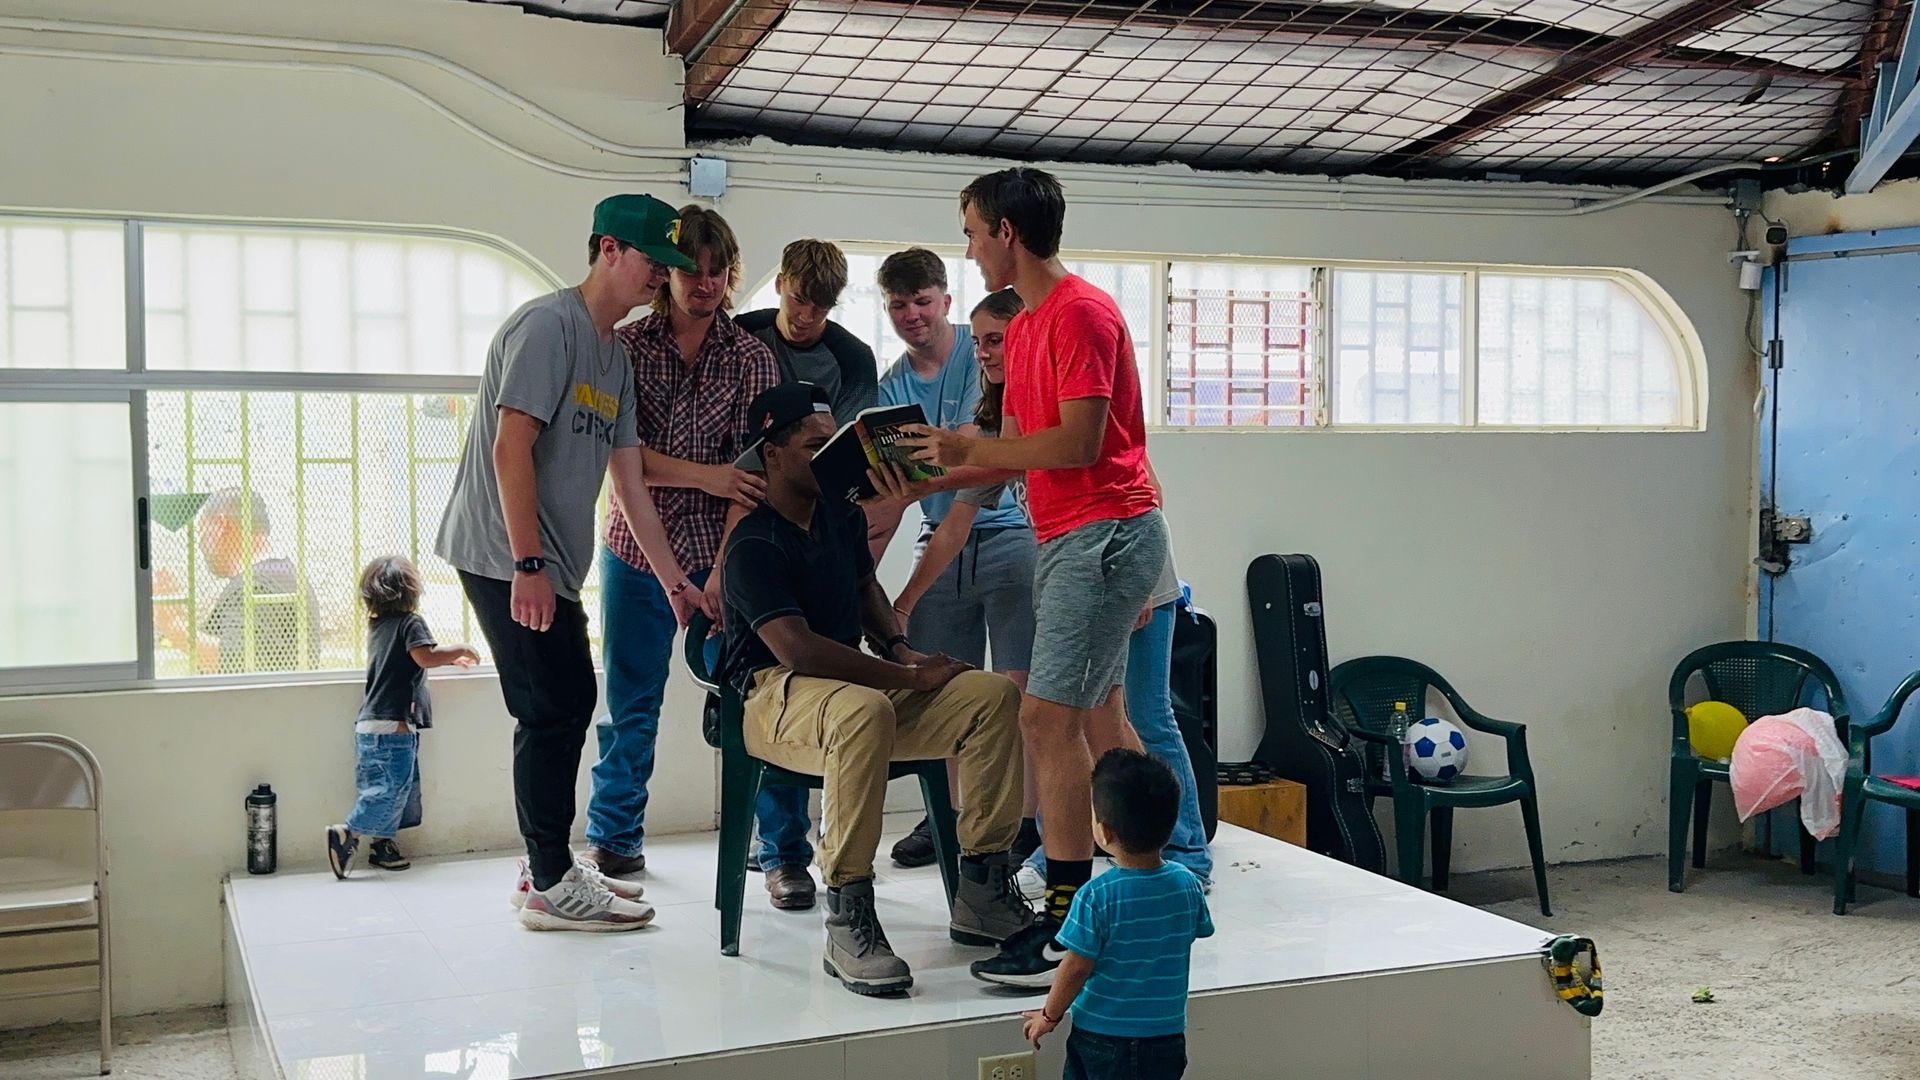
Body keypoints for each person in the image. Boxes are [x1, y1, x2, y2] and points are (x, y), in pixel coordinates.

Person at [903, 167, 1171, 987]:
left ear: (1007, 234)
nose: (971, 249)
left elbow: (1080, 445)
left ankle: (1066, 926)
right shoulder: (1022, 330)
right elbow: (1010, 456)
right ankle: (1148, 891)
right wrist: (919, 476)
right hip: (1072, 536)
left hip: (1106, 533)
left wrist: (967, 447)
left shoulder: (1081, 313)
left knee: (1045, 721)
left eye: (974, 233)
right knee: (1094, 718)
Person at [434, 193, 700, 932]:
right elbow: (508, 446)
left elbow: (629, 478)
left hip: (546, 558)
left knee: (568, 702)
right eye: (653, 261)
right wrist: (527, 565)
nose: (660, 279)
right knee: (553, 707)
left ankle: (544, 865)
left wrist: (673, 579)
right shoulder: (546, 327)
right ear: (609, 249)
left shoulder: (611, 355)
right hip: (503, 551)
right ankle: (550, 881)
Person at [719, 381, 1035, 996]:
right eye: (814, 445)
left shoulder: (839, 515)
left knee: (991, 696)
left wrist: (899, 647)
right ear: (772, 453)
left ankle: (982, 886)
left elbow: (866, 594)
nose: (828, 453)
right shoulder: (752, 543)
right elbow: (799, 650)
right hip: (774, 694)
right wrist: (907, 677)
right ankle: (848, 914)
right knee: (864, 709)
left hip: (851, 690)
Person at [584, 205, 816, 911]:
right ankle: (615, 840)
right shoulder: (624, 349)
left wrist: (719, 571)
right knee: (631, 704)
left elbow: (754, 475)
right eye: (691, 268)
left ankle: (783, 855)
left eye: (718, 271)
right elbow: (622, 464)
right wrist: (706, 477)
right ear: (666, 271)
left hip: (730, 560)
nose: (705, 282)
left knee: (766, 704)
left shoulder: (751, 359)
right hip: (636, 553)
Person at [868, 248, 1033, 871]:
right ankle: (956, 823)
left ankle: (1020, 825)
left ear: (945, 300)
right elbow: (897, 492)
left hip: (1008, 533)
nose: (912, 315)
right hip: (937, 541)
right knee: (946, 695)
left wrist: (902, 598)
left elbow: (973, 476)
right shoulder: (891, 388)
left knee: (1017, 694)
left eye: (922, 301)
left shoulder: (982, 352)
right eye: (899, 305)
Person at [1021, 749, 1212, 1080]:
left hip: (1102, 1037)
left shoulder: (1096, 896)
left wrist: (1049, 1016)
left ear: (1105, 832)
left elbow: (1076, 966)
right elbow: (1192, 932)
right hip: (1166, 1038)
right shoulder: (1186, 885)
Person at [325, 555, 479, 878]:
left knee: (389, 789)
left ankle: (382, 846)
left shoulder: (378, 627)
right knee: (390, 790)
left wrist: (446, 662)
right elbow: (424, 656)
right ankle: (348, 833)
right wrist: (459, 649)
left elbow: (407, 660)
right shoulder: (411, 623)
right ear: (411, 592)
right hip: (392, 726)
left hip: (370, 724)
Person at [153, 488, 318, 674]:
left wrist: (175, 627)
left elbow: (235, 662)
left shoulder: (257, 586)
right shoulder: (283, 576)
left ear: (222, 526)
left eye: (202, 531)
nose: (200, 544)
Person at [734, 239, 879, 422]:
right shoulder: (742, 331)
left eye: (822, 306)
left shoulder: (856, 358)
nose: (807, 317)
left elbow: (851, 440)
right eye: (799, 300)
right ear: (780, 284)